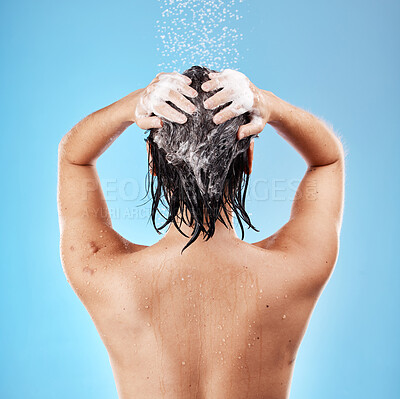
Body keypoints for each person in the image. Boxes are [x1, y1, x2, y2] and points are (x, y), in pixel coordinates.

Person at [57, 65, 345, 399]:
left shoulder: (107, 275)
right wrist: (267, 103)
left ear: (153, 160)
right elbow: (328, 161)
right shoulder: (296, 268)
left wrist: (133, 106)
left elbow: (73, 157)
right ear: (248, 158)